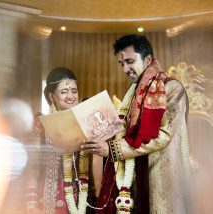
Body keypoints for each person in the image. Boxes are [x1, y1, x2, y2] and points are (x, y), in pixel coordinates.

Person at [82, 34, 191, 213]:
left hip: (162, 178)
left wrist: (112, 149)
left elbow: (161, 137)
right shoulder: (136, 91)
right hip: (136, 177)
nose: (125, 69)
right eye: (122, 64)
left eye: (130, 61)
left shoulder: (170, 88)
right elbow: (125, 130)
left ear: (148, 59)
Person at [24, 67, 94, 214]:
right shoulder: (40, 125)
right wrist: (31, 203)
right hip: (47, 201)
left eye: (74, 91)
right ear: (51, 96)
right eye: (64, 92)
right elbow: (32, 168)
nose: (71, 96)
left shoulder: (86, 123)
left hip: (80, 199)